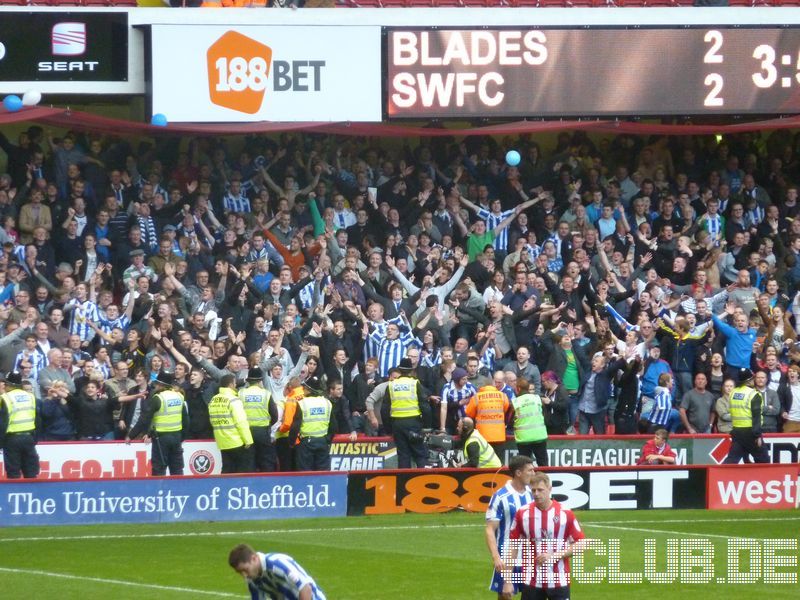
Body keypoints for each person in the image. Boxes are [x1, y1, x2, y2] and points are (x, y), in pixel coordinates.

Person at [503, 472, 586, 600]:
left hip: (559, 581)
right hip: (531, 581)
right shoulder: (522, 514)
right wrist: (507, 581)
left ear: (549, 489)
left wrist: (555, 556)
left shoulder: (565, 513)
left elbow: (581, 544)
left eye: (540, 490)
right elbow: (513, 547)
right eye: (533, 490)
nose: (536, 494)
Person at [485, 455, 534, 599]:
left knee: (532, 595)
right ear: (518, 473)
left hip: (529, 557)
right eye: (530, 470)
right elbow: (490, 529)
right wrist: (496, 557)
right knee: (506, 595)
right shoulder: (501, 496)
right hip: (507, 556)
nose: (533, 473)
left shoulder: (533, 494)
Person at [366, 358, 430, 468]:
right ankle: (422, 481)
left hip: (397, 424)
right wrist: (427, 425)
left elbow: (384, 409)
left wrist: (388, 429)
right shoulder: (415, 383)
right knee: (419, 454)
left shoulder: (392, 385)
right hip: (413, 422)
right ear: (411, 371)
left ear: (400, 370)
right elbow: (425, 406)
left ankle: (404, 483)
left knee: (403, 455)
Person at [126, 371, 188, 476]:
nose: (154, 387)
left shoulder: (158, 398)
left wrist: (131, 435)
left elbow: (144, 419)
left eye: (156, 384)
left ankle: (159, 491)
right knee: (177, 468)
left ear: (160, 384)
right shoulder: (179, 396)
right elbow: (186, 419)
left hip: (161, 438)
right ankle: (179, 491)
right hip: (176, 436)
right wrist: (182, 437)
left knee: (159, 468)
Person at [228, 543, 326, 600]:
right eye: (240, 573)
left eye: (245, 570)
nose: (244, 576)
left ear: (254, 558)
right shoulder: (252, 580)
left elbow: (305, 588)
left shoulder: (277, 563)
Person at [208, 373, 254, 474]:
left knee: (227, 470)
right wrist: (248, 441)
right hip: (236, 441)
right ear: (230, 385)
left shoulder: (213, 400)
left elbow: (212, 421)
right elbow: (241, 422)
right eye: (235, 383)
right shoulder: (233, 400)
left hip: (222, 441)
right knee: (243, 470)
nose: (236, 385)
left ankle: (225, 489)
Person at [288, 379, 335, 472]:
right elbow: (334, 426)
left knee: (305, 474)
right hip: (322, 442)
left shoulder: (302, 403)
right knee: (323, 473)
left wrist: (291, 442)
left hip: (306, 443)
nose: (302, 390)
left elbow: (295, 426)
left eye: (304, 388)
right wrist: (327, 439)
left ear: (309, 389)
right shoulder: (327, 402)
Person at [724, 367, 770, 464]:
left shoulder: (733, 393)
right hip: (750, 432)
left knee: (732, 460)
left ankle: (718, 477)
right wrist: (758, 436)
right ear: (749, 380)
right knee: (763, 459)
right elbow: (756, 416)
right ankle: (759, 478)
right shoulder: (754, 394)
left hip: (736, 431)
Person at [0, 372, 40, 479]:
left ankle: (15, 494)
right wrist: (35, 438)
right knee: (31, 471)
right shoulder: (31, 396)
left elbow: (2, 422)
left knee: (13, 472)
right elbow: (37, 419)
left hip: (12, 439)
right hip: (29, 437)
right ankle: (32, 494)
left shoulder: (4, 398)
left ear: (8, 384)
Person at [239, 367, 278, 472]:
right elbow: (275, 415)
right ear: (260, 381)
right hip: (263, 431)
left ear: (249, 381)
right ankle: (266, 485)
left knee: (248, 461)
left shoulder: (241, 393)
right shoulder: (266, 394)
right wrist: (268, 424)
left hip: (246, 431)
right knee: (266, 461)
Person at [509, 378, 548, 467]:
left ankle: (527, 481)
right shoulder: (537, 399)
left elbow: (510, 421)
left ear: (518, 389)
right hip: (539, 436)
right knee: (543, 463)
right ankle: (544, 480)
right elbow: (544, 414)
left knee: (525, 465)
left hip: (524, 438)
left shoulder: (515, 402)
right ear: (528, 388)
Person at [464, 383, 510, 456]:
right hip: (499, 435)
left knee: (484, 462)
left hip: (483, 436)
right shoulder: (503, 396)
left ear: (482, 387)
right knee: (499, 463)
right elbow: (505, 409)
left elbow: (469, 413)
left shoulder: (477, 397)